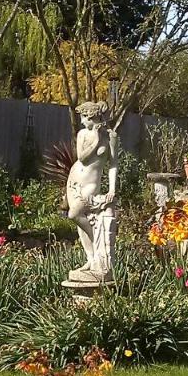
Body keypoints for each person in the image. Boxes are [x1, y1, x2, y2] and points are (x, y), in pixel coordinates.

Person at [65, 102, 118, 280]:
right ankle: (91, 259)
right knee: (81, 223)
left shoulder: (110, 137)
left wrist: (112, 189)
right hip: (75, 182)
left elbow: (113, 165)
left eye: (82, 117)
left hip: (90, 185)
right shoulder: (82, 135)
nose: (80, 122)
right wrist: (94, 137)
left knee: (74, 215)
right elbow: (82, 157)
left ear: (91, 117)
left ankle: (98, 247)